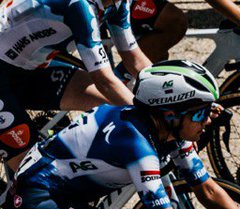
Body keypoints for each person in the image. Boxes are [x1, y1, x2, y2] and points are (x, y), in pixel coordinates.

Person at [5, 60, 240, 209]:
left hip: (57, 194)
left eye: (210, 109)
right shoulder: (136, 142)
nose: (209, 120)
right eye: (202, 112)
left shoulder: (169, 130)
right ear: (170, 113)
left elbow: (208, 190)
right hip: (38, 201)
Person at [0, 0, 151, 169]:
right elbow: (104, 81)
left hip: (31, 69)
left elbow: (134, 58)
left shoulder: (118, 4)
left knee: (109, 103)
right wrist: (152, 117)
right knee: (31, 170)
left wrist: (168, 93)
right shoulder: (79, 5)